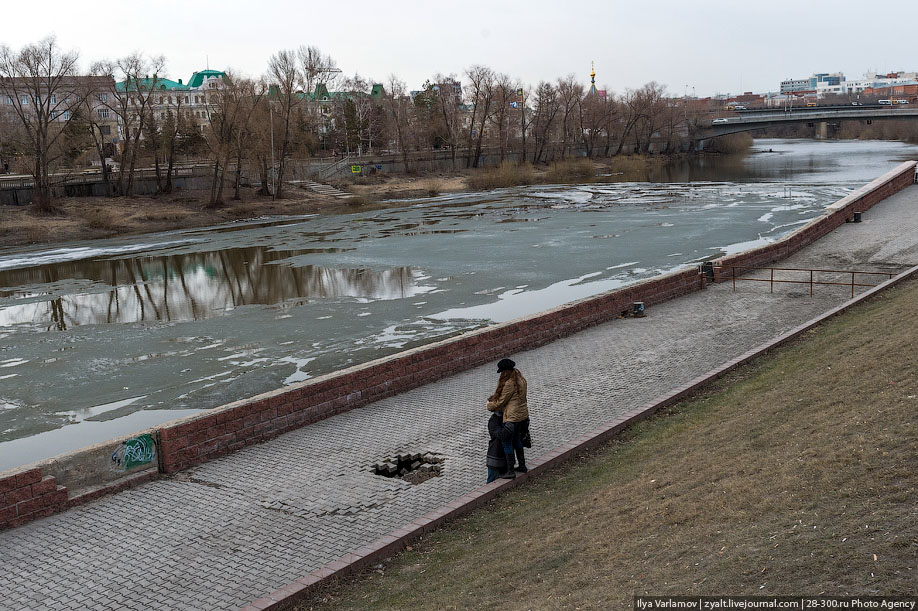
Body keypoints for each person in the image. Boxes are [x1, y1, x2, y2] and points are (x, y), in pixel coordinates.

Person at [486, 358, 530, 479]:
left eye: (501, 372)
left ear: (505, 371)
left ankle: (510, 471)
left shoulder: (509, 383)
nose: (501, 374)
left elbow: (501, 401)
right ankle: (522, 465)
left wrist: (489, 405)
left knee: (507, 442)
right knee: (517, 440)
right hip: (523, 415)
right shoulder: (520, 378)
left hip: (512, 417)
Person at [486, 410, 507, 483]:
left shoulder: (505, 418)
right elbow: (501, 435)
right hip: (495, 458)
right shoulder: (494, 420)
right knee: (491, 482)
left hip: (503, 458)